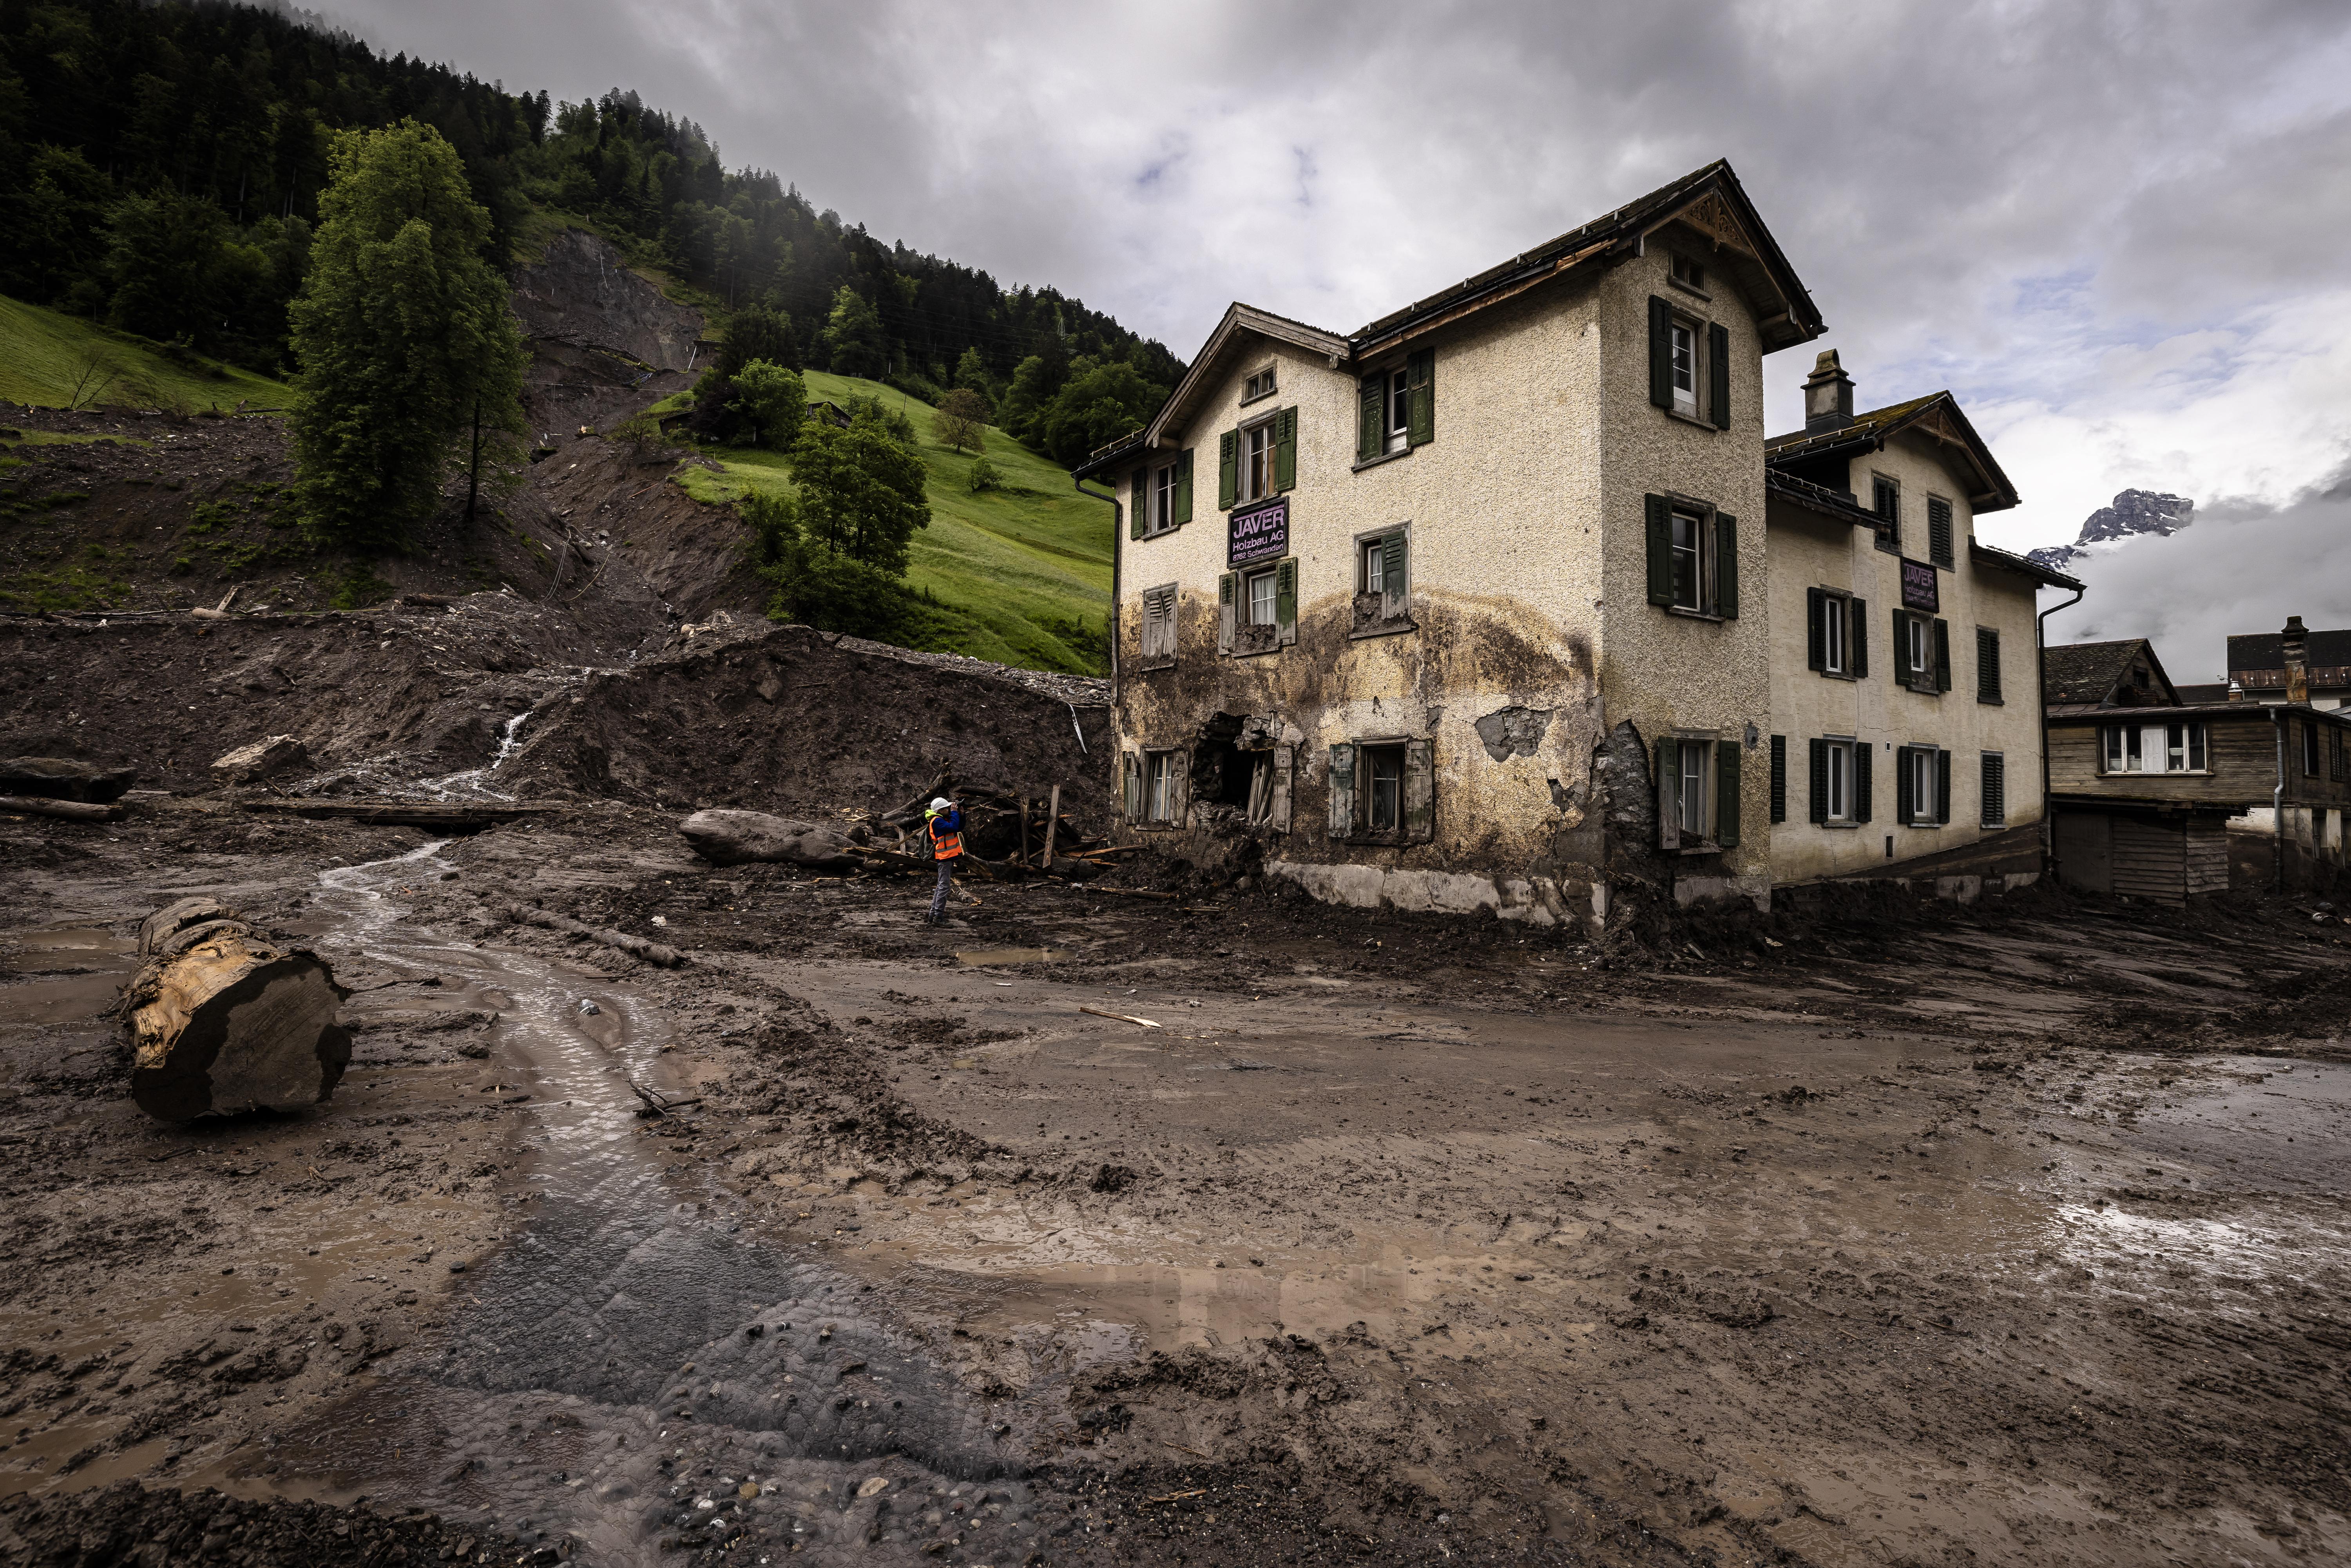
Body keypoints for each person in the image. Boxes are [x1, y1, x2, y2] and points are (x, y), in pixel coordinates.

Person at [924, 795, 963, 924]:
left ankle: (933, 915)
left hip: (947, 857)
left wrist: (961, 815)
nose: (949, 809)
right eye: (947, 808)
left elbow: (959, 828)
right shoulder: (937, 821)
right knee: (944, 887)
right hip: (945, 857)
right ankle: (938, 917)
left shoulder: (940, 819)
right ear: (940, 810)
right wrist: (955, 813)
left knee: (941, 886)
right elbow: (954, 827)